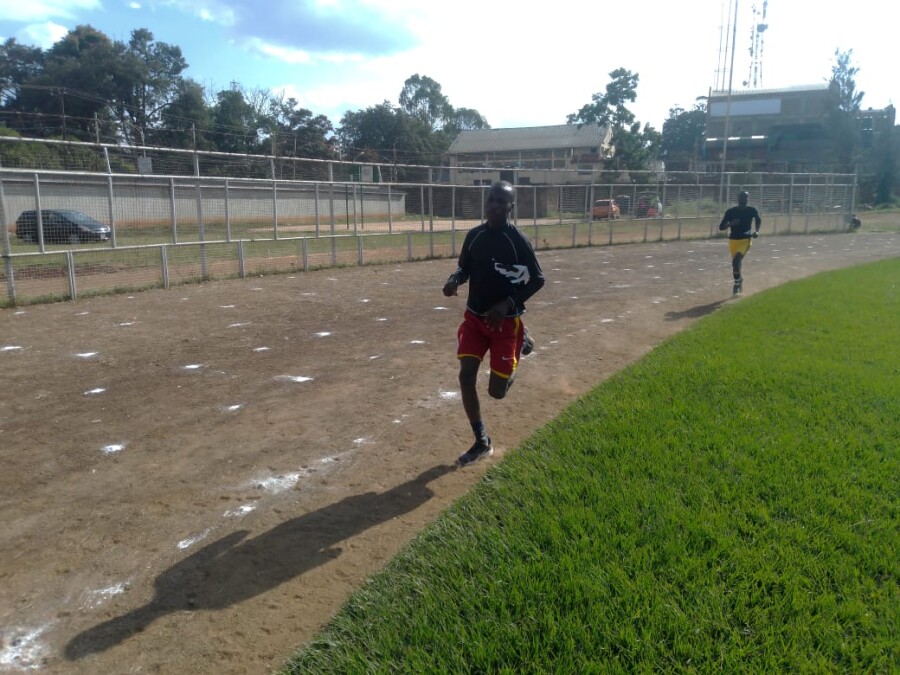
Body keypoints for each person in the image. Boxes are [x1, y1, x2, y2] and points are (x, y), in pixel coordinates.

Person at [442, 181, 545, 467]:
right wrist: (454, 280)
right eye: (492, 200)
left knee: (497, 392)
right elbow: (465, 267)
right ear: (486, 202)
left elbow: (538, 279)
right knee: (466, 377)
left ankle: (521, 342)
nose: (495, 206)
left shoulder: (517, 240)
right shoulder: (475, 236)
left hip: (505, 324)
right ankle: (482, 441)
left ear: (511, 207)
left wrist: (507, 304)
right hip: (475, 319)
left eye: (502, 201)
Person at [719, 190, 761, 295]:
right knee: (736, 264)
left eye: (746, 197)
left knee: (736, 261)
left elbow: (758, 219)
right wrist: (731, 224)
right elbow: (721, 227)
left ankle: (736, 285)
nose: (744, 199)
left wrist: (756, 231)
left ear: (748, 199)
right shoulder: (731, 212)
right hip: (733, 241)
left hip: (745, 240)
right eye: (742, 197)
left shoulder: (751, 210)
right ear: (738, 199)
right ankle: (740, 280)